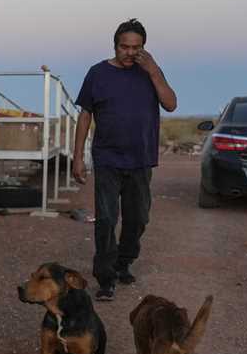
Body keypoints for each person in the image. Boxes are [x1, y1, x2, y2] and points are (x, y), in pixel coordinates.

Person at [71, 19, 178, 301]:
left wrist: (153, 71)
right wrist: (77, 157)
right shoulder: (98, 73)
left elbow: (170, 104)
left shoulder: (150, 72)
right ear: (115, 45)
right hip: (107, 158)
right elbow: (85, 115)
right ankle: (106, 278)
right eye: (124, 47)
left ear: (143, 47)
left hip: (141, 159)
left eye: (136, 48)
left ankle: (123, 262)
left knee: (138, 218)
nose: (130, 53)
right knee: (106, 219)